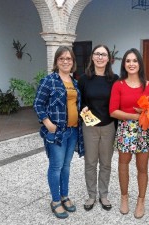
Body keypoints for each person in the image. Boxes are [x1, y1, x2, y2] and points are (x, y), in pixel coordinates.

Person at [33, 46, 84, 219]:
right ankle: (55, 200)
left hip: (73, 130)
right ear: (56, 61)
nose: (65, 61)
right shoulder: (49, 81)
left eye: (69, 59)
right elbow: (38, 104)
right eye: (62, 58)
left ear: (73, 62)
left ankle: (65, 196)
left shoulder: (74, 82)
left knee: (66, 166)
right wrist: (47, 123)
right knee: (56, 166)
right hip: (57, 132)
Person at [109, 48, 149, 219]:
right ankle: (124, 197)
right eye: (128, 61)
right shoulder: (119, 85)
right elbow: (113, 111)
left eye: (135, 61)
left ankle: (141, 200)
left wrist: (148, 111)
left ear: (140, 64)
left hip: (145, 130)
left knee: (142, 167)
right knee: (123, 164)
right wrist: (135, 115)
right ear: (124, 64)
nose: (131, 64)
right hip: (125, 129)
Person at [78, 44, 119, 211]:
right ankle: (91, 195)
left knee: (106, 163)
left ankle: (103, 194)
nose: (100, 57)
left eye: (103, 54)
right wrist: (82, 108)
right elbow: (79, 101)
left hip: (109, 125)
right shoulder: (84, 79)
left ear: (108, 58)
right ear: (92, 57)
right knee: (90, 162)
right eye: (97, 54)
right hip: (90, 126)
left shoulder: (114, 79)